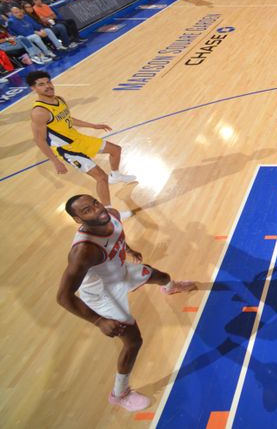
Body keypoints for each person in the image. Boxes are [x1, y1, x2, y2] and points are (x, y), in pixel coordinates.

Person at [56, 195, 196, 412]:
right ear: (78, 219)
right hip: (101, 293)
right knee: (133, 342)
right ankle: (119, 394)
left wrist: (128, 251)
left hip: (119, 272)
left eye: (94, 202)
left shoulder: (111, 215)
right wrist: (99, 320)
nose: (97, 209)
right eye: (87, 210)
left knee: (161, 275)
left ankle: (171, 287)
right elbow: (63, 297)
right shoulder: (83, 251)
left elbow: (116, 237)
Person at [27, 71, 136, 210]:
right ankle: (109, 212)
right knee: (101, 177)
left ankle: (115, 175)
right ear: (33, 89)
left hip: (79, 139)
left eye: (48, 82)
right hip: (67, 149)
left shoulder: (59, 99)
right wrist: (56, 162)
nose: (48, 86)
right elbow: (39, 140)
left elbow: (68, 119)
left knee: (116, 150)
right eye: (41, 84)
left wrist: (93, 125)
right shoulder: (39, 112)